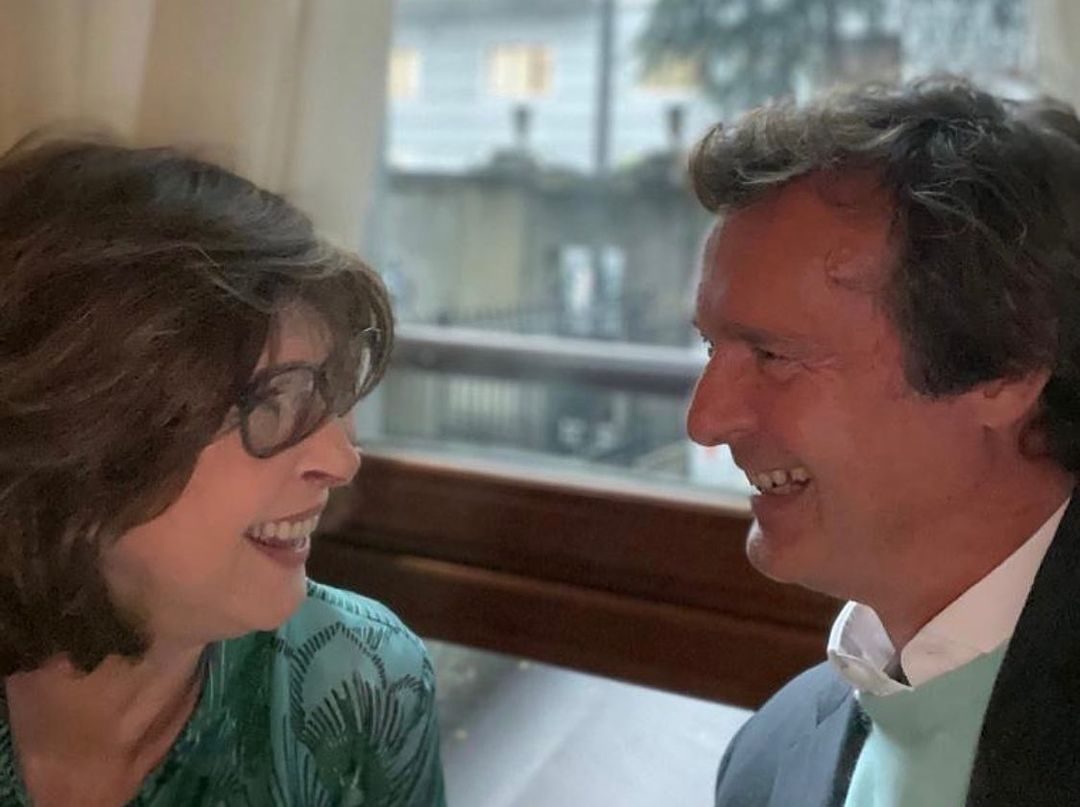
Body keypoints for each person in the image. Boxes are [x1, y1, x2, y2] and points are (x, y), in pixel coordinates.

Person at [0, 137, 446, 806]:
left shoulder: (364, 681)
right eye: (272, 403)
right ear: (74, 434)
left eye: (329, 394)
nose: (341, 460)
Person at [686, 78, 1080, 806]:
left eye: (773, 355)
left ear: (1005, 373)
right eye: (711, 347)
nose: (705, 420)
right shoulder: (767, 758)